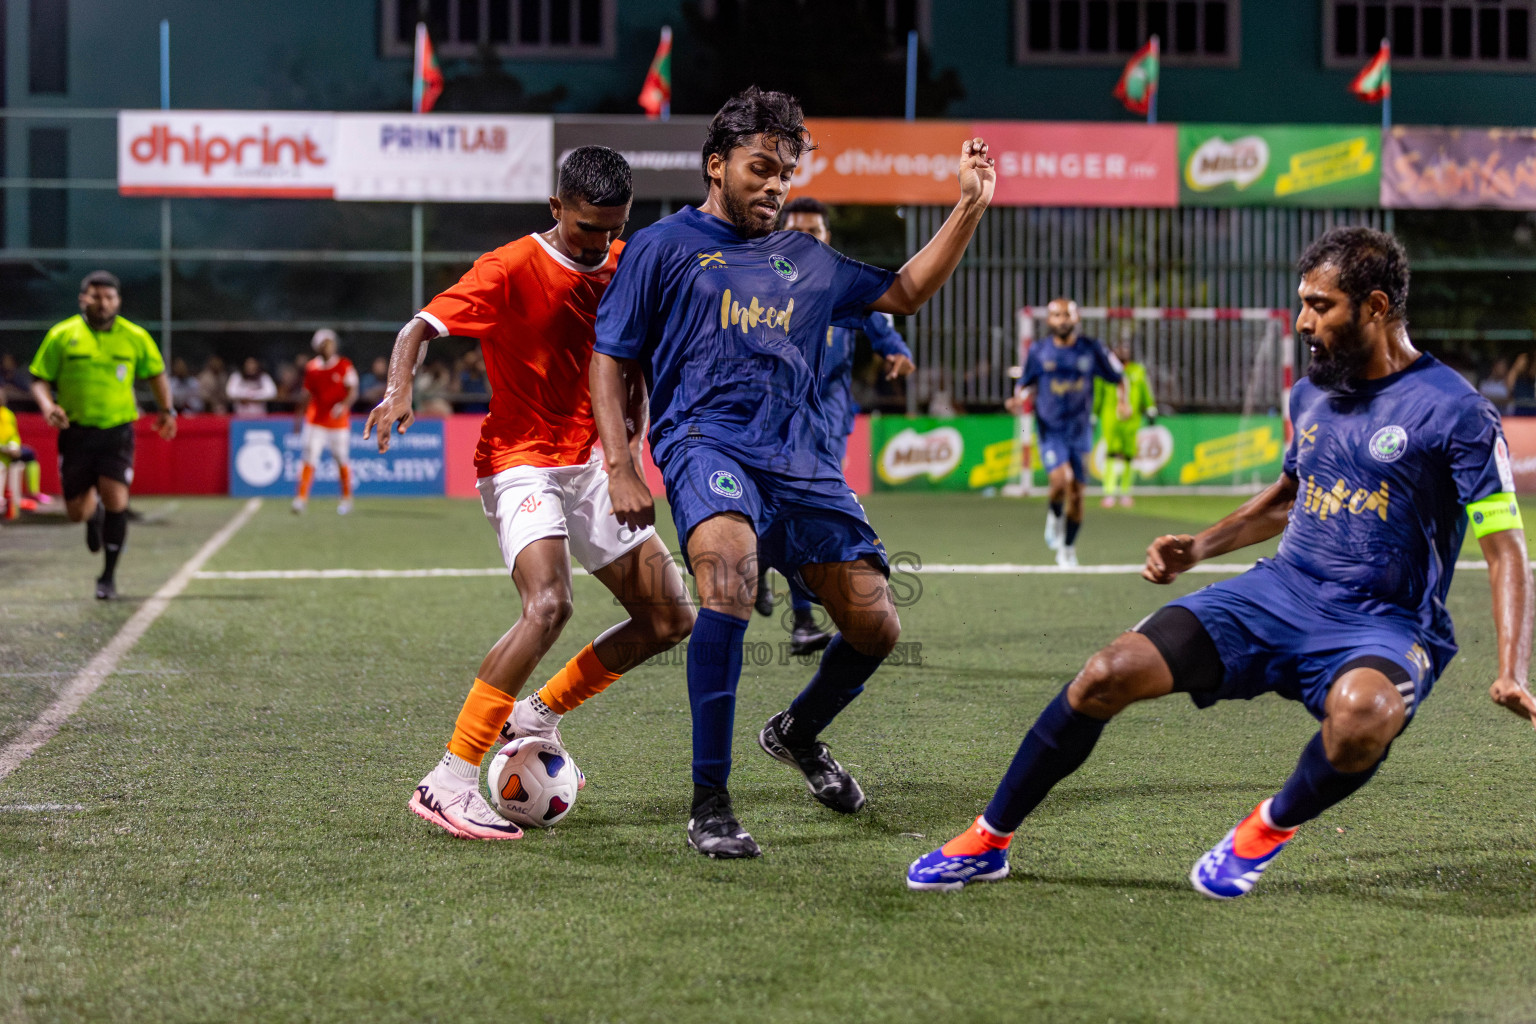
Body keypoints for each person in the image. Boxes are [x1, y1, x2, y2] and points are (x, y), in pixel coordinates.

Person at [908, 227, 1535, 898]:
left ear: (1376, 306)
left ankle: (1263, 831)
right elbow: (1291, 496)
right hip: (1278, 594)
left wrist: (1509, 669)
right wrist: (1197, 548)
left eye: (1321, 306)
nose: (1302, 322)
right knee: (1106, 673)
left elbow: (1504, 547)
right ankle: (989, 839)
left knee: (1364, 716)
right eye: (1303, 303)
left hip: (1383, 623)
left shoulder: (1457, 411)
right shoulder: (1312, 394)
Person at [591, 86, 995, 858]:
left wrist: (968, 207)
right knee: (730, 575)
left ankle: (797, 733)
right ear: (717, 165)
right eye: (760, 167)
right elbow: (611, 356)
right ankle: (710, 800)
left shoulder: (807, 259)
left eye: (786, 171)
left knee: (877, 626)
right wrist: (622, 463)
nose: (775, 184)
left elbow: (904, 292)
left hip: (800, 461)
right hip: (704, 443)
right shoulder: (661, 247)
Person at [366, 146, 694, 842]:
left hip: (593, 463)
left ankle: (537, 714)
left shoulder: (627, 264)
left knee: (670, 617)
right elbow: (418, 326)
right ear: (555, 208)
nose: (600, 243)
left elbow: (632, 367)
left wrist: (626, 457)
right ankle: (448, 781)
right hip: (520, 461)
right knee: (549, 604)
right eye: (586, 229)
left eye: (612, 229)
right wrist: (398, 390)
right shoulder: (510, 266)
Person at [752, 195, 917, 655]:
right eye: (797, 232)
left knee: (803, 513)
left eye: (816, 233)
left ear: (829, 239)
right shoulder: (756, 285)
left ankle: (792, 605)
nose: (807, 240)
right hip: (774, 421)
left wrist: (896, 353)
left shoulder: (842, 286)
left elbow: (884, 321)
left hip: (828, 422)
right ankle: (782, 592)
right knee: (780, 510)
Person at [27, 270, 176, 599]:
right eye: (96, 297)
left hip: (117, 432)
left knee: (117, 499)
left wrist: (167, 411)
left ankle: (107, 577)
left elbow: (156, 374)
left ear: (118, 301)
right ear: (83, 298)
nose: (103, 303)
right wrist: (47, 405)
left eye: (109, 298)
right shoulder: (62, 334)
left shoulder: (135, 336)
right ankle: (92, 516)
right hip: (76, 433)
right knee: (76, 512)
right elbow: (38, 378)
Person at [1007, 299, 1124, 568]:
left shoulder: (1092, 349)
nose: (1062, 320)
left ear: (1076, 318)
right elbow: (1024, 383)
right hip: (1051, 428)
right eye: (1057, 315)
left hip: (1080, 429)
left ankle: (1068, 548)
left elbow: (1118, 377)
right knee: (1060, 480)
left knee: (1078, 493)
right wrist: (1017, 399)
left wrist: (1123, 400)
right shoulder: (1039, 351)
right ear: (1049, 320)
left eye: (1067, 315)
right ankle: (1053, 515)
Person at [292, 329, 359, 515]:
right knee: (309, 457)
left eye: (329, 343)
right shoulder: (312, 367)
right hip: (316, 420)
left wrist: (343, 405)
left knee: (341, 458)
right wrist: (299, 416)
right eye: (323, 344)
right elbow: (307, 394)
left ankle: (346, 497)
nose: (327, 347)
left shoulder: (344, 365)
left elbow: (352, 391)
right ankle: (301, 498)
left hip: (337, 422)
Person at [1095, 336, 1157, 508]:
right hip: (1111, 417)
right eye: (1119, 349)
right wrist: (1093, 414)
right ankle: (1109, 491)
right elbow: (1098, 394)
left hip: (1131, 418)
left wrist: (1151, 408)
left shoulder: (1137, 371)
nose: (1123, 352)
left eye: (1126, 349)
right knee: (1111, 453)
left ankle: (1125, 491)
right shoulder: (1105, 371)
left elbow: (1145, 390)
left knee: (1129, 454)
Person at [0, 388, 45, 518]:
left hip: (9, 452)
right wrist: (3, 448)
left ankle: (33, 492)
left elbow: (14, 435)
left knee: (29, 454)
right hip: (2, 453)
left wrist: (14, 445)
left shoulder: (8, 414)